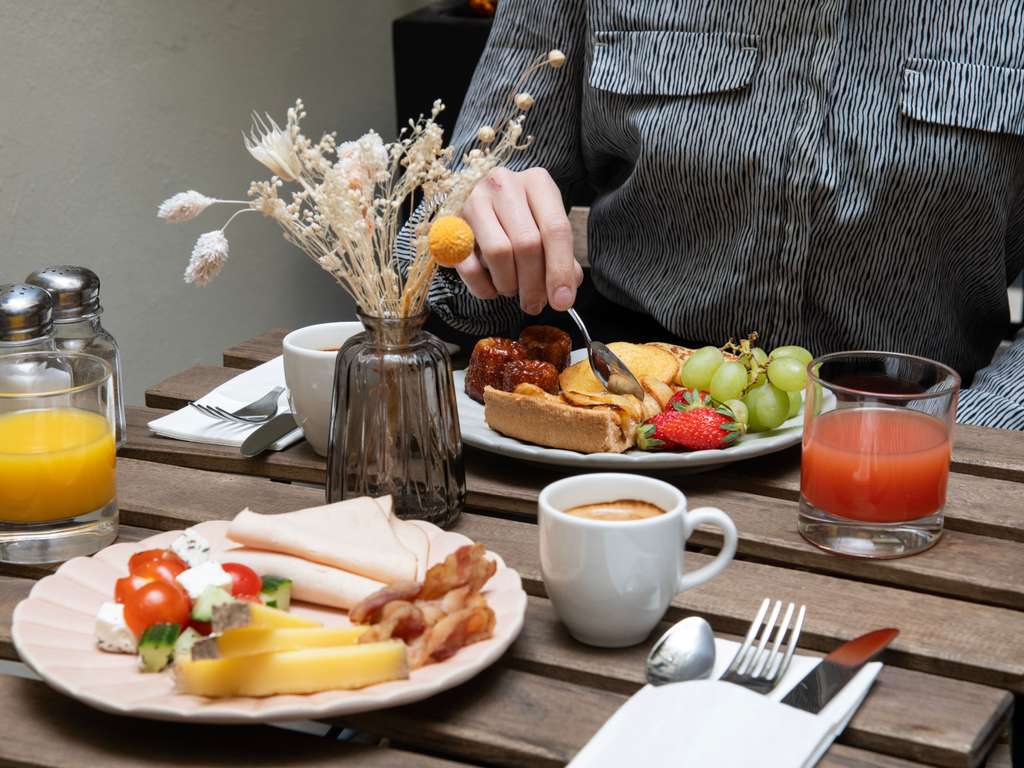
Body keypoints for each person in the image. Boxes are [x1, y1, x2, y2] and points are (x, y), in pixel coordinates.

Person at [405, 1, 1024, 429]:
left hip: (919, 456)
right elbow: (442, 249)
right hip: (627, 428)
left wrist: (962, 431)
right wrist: (477, 240)